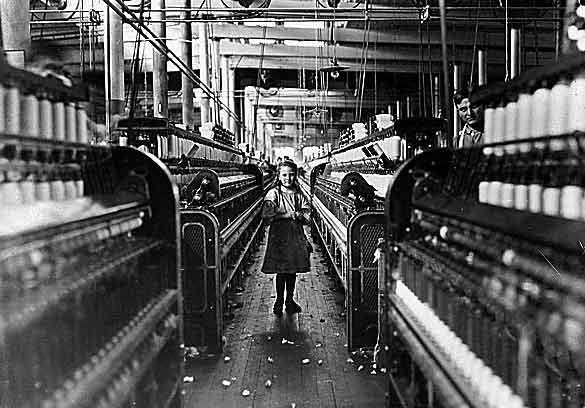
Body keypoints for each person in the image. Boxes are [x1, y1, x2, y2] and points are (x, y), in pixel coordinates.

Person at [261, 159, 311, 316]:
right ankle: (279, 300)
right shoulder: (273, 194)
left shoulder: (299, 195)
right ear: (278, 175)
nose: (287, 178)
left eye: (291, 175)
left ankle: (289, 300)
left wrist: (301, 215)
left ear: (295, 176)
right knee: (281, 271)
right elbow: (267, 215)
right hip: (279, 237)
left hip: (295, 235)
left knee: (292, 271)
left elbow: (308, 216)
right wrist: (288, 214)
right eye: (284, 175)